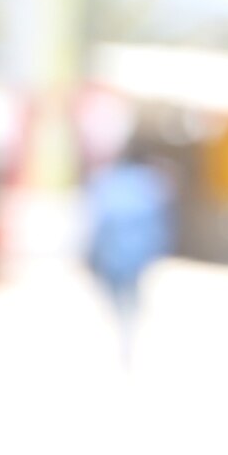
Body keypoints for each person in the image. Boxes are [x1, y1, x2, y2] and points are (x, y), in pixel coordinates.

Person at [82, 142, 174, 367]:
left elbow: (95, 223)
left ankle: (123, 350)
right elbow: (161, 226)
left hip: (111, 259)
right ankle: (126, 349)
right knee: (129, 309)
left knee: (117, 310)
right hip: (136, 258)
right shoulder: (150, 185)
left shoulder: (107, 183)